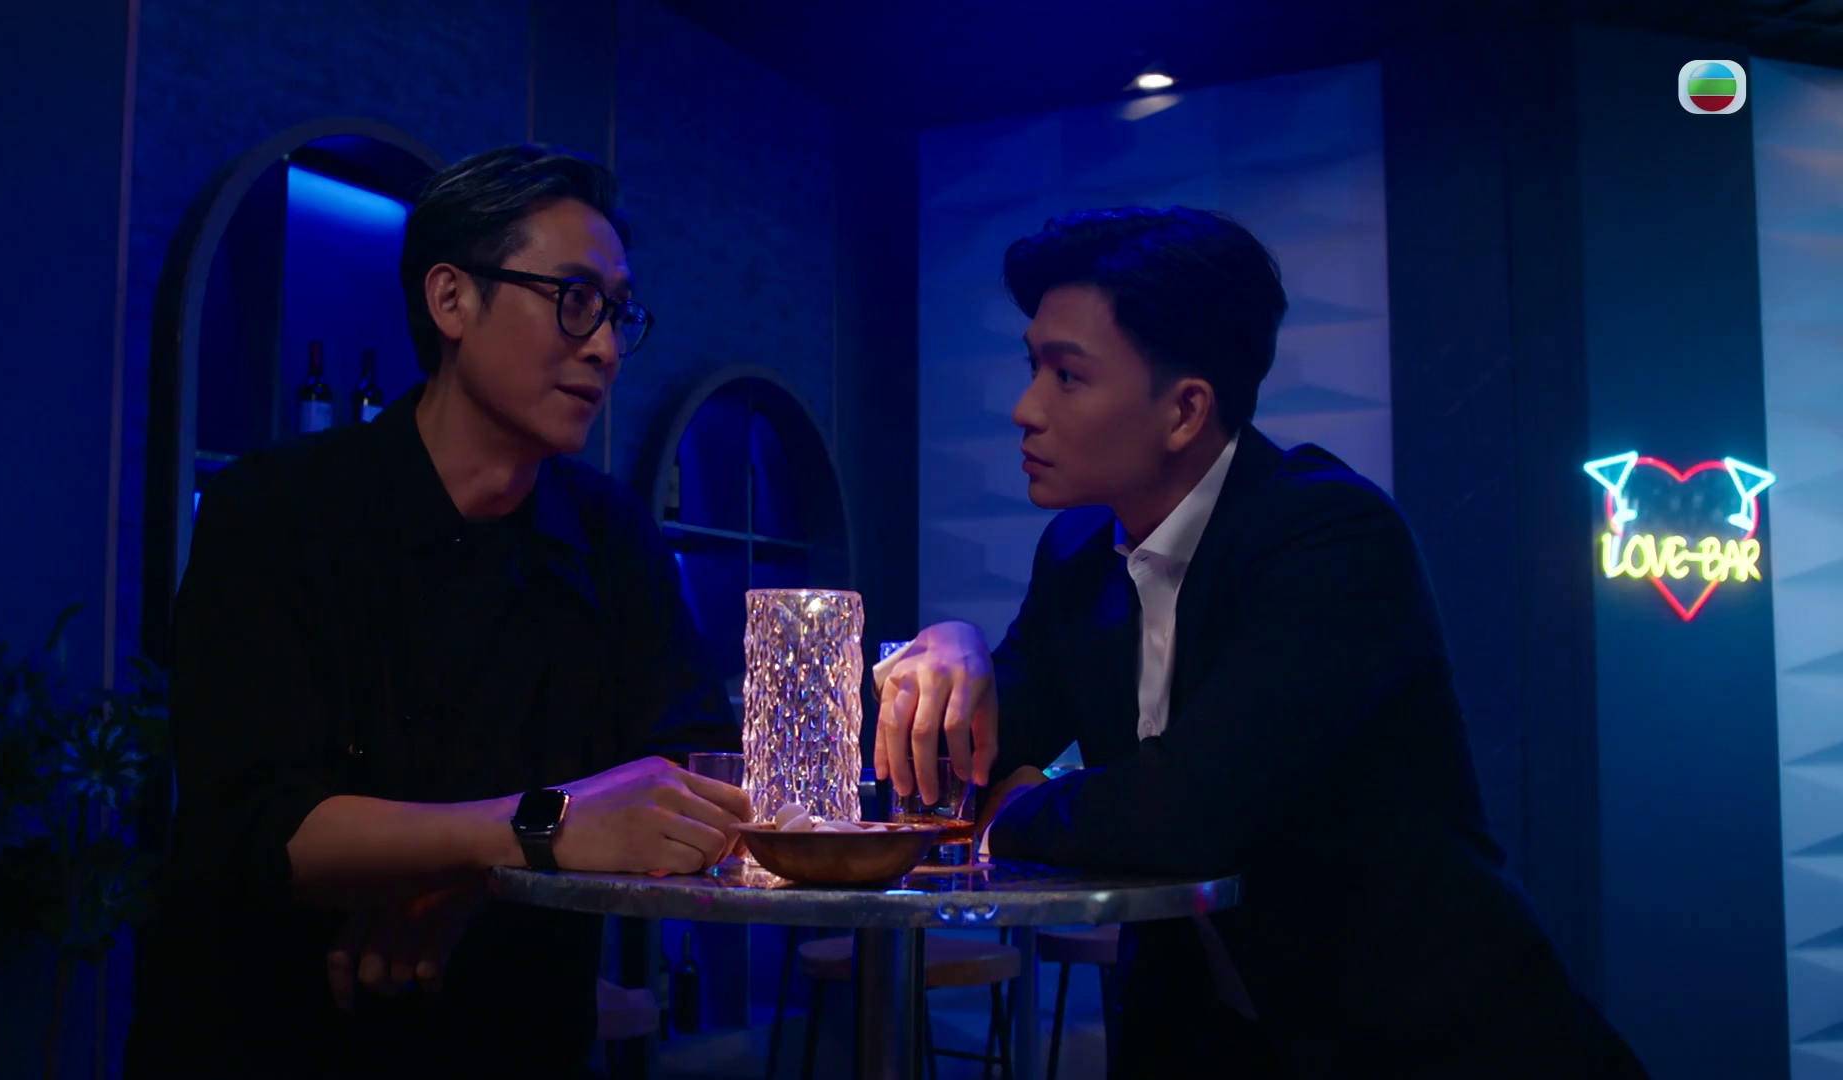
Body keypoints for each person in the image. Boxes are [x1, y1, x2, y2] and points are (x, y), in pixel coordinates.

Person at [873, 207, 1649, 1077]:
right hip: (1213, 1034)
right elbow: (973, 760)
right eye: (1032, 369)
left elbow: (1186, 814)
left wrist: (1015, 815)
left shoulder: (1331, 536)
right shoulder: (1077, 554)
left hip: (1430, 1036)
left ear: (1185, 410)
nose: (1025, 410)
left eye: (1066, 376)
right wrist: (959, 646)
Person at [124, 145, 750, 1078]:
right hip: (276, 1035)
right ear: (451, 299)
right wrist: (541, 829)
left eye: (618, 313)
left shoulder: (610, 533)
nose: (606, 348)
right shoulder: (275, 512)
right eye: (574, 299)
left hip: (515, 1036)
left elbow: (702, 773)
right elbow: (257, 827)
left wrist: (473, 878)